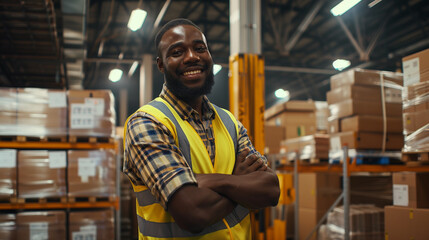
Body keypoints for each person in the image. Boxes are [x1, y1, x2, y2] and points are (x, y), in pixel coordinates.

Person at [123, 18, 280, 240]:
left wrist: (215, 180)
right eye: (177, 52)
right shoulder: (147, 123)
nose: (192, 57)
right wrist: (239, 179)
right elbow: (192, 213)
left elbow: (271, 190)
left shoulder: (230, 122)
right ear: (161, 65)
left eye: (200, 49)